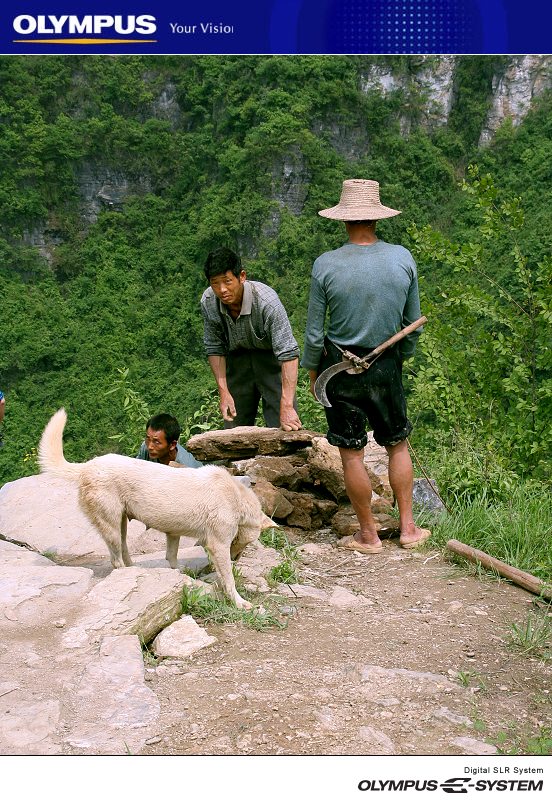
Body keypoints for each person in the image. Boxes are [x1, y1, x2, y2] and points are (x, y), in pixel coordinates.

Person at [302, 178, 430, 553]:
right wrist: (399, 361)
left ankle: (368, 535)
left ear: (344, 219)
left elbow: (313, 333)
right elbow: (412, 322)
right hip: (386, 364)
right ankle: (408, 529)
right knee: (397, 444)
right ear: (376, 218)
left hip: (339, 369)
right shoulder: (402, 258)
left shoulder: (325, 265)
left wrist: (314, 373)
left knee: (352, 453)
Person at [201, 246, 302, 431]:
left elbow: (289, 353)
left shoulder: (267, 303)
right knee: (233, 429)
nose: (222, 290)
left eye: (228, 281)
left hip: (270, 361)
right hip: (236, 362)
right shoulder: (209, 301)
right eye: (215, 283)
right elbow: (214, 347)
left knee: (284, 427)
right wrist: (223, 391)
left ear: (242, 276)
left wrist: (287, 405)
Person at [136, 413, 202, 468]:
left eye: (156, 442)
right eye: (148, 439)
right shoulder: (145, 448)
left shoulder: (189, 468)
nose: (150, 447)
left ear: (172, 445)